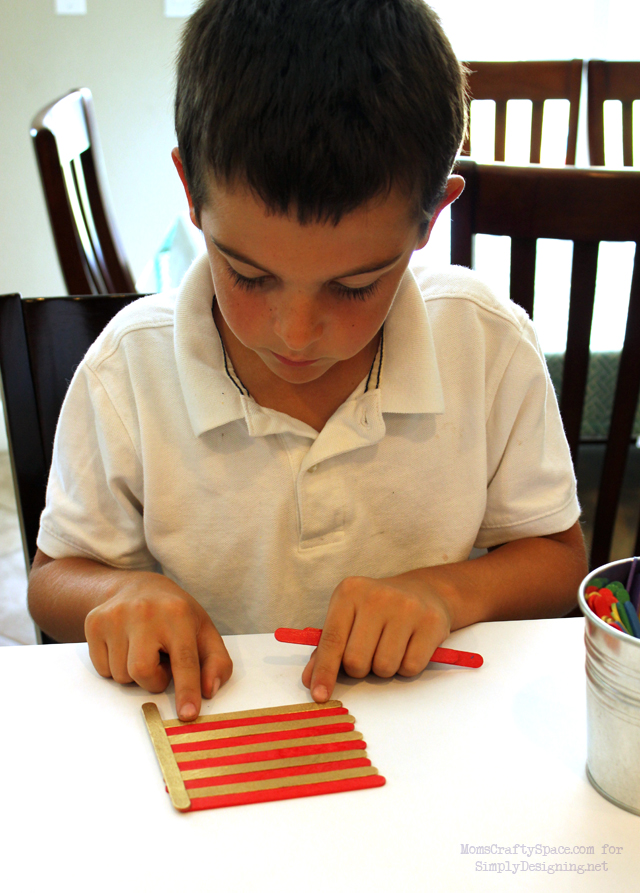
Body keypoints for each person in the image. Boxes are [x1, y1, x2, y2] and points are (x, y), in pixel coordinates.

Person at [28, 0, 587, 721]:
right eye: (248, 275)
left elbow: (559, 556)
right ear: (190, 193)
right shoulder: (127, 370)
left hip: (427, 744)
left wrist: (446, 592)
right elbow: (52, 578)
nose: (294, 333)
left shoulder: (487, 345)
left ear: (431, 219)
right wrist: (119, 593)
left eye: (355, 286)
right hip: (215, 744)